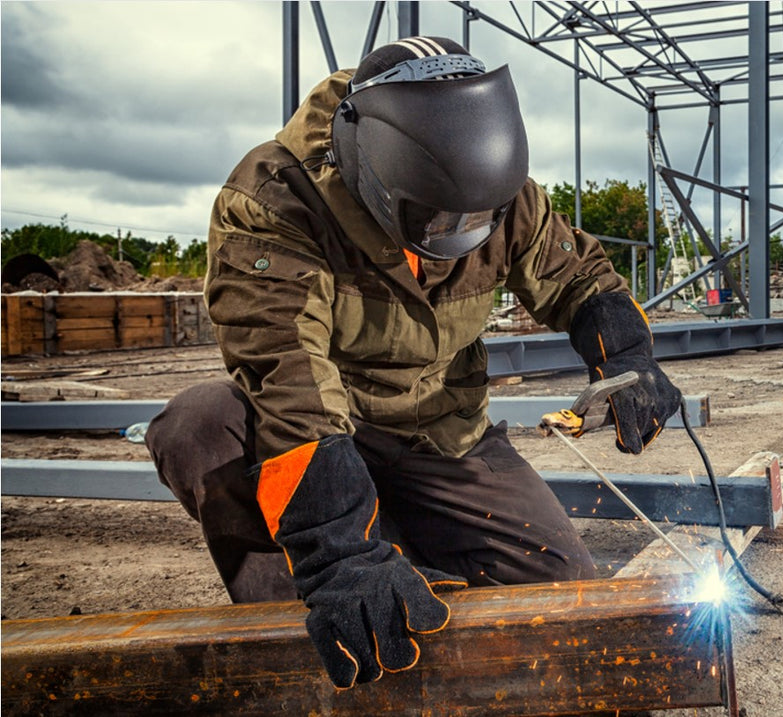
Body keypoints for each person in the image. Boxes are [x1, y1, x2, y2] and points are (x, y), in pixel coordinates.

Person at [146, 36, 682, 689]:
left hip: (441, 432)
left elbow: (580, 278)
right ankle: (299, 631)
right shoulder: (275, 202)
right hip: (323, 426)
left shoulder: (493, 188)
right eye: (437, 222)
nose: (453, 245)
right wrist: (339, 552)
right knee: (199, 425)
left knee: (560, 586)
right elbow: (287, 381)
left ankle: (402, 546)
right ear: (378, 172)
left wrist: (624, 352)